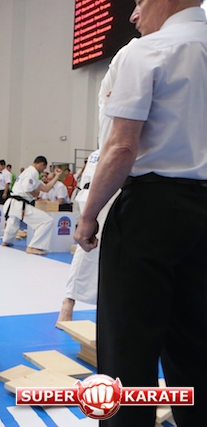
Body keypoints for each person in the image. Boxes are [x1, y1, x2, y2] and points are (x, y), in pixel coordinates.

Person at [75, 2, 207, 425]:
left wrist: (89, 214)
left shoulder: (149, 49)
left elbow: (122, 146)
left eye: (139, 1)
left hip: (152, 210)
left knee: (127, 350)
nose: (134, 14)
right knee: (197, 347)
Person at [56, 38, 136, 326]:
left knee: (118, 253)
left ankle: (110, 310)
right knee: (91, 248)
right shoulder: (128, 59)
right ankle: (67, 304)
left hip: (122, 180)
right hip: (106, 180)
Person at [1, 157, 62, 255]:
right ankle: (33, 246)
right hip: (19, 204)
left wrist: (57, 176)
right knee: (47, 221)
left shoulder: (30, 173)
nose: (43, 171)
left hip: (13, 204)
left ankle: (6, 241)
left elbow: (46, 188)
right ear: (41, 164)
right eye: (44, 168)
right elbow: (27, 189)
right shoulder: (32, 172)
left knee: (13, 222)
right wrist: (36, 194)